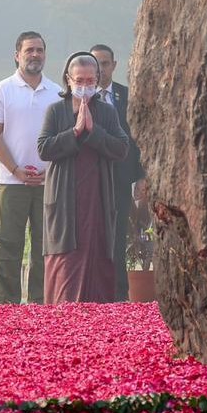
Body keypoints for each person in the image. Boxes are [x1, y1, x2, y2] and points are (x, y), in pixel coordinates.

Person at [38, 52, 128, 303]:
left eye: (90, 81)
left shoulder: (107, 113)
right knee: (65, 257)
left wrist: (93, 131)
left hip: (97, 197)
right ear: (68, 79)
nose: (85, 86)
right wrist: (76, 131)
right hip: (64, 198)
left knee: (98, 252)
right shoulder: (56, 111)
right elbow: (44, 149)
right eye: (80, 80)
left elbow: (121, 149)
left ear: (98, 80)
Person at [0, 31, 62, 304]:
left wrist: (50, 170)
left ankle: (41, 304)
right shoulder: (2, 90)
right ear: (17, 54)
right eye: (29, 50)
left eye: (40, 50)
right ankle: (3, 305)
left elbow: (63, 139)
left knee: (45, 247)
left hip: (48, 183)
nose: (35, 55)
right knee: (7, 245)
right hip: (10, 181)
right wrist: (15, 169)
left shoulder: (56, 93)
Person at [91, 44, 145, 301]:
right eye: (95, 63)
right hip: (88, 178)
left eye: (104, 63)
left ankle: (119, 292)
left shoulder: (128, 96)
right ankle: (91, 292)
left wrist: (141, 176)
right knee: (90, 236)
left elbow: (140, 139)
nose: (100, 69)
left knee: (118, 236)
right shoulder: (80, 96)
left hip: (121, 176)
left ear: (114, 65)